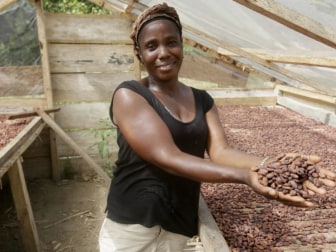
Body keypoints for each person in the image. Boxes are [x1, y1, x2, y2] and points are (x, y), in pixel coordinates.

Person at [99, 3, 336, 251]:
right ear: (139, 53)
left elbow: (221, 152)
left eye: (171, 42)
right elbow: (167, 156)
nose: (164, 53)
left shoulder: (202, 100)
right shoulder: (130, 95)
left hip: (177, 222)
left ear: (182, 44)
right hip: (132, 224)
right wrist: (245, 177)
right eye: (152, 46)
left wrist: (272, 165)